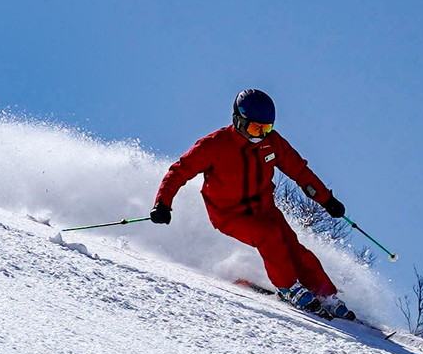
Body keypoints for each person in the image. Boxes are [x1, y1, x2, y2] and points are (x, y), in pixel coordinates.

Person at [149, 88, 356, 320]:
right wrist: (163, 204)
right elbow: (179, 172)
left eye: (266, 128)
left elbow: (299, 170)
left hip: (264, 207)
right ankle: (287, 287)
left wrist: (326, 199)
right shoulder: (214, 145)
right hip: (229, 214)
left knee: (293, 247)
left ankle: (326, 295)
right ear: (238, 120)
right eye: (255, 128)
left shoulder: (272, 143)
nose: (260, 135)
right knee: (268, 235)